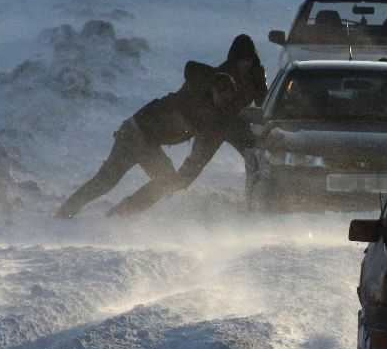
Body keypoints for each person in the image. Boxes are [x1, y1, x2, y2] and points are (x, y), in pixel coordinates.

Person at [108, 35, 269, 216]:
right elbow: (195, 76)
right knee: (187, 173)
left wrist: (259, 86)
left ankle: (260, 202)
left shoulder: (255, 77)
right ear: (235, 59)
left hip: (236, 126)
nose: (245, 64)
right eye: (242, 60)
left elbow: (264, 102)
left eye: (249, 60)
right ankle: (134, 208)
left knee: (257, 161)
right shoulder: (222, 74)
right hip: (211, 128)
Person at [56, 62, 236, 218]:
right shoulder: (194, 91)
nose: (225, 101)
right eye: (224, 95)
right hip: (135, 134)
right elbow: (191, 67)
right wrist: (215, 77)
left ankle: (111, 215)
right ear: (215, 89)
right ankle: (90, 214)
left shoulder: (211, 111)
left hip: (142, 139)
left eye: (228, 99)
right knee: (109, 180)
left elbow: (214, 136)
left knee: (162, 182)